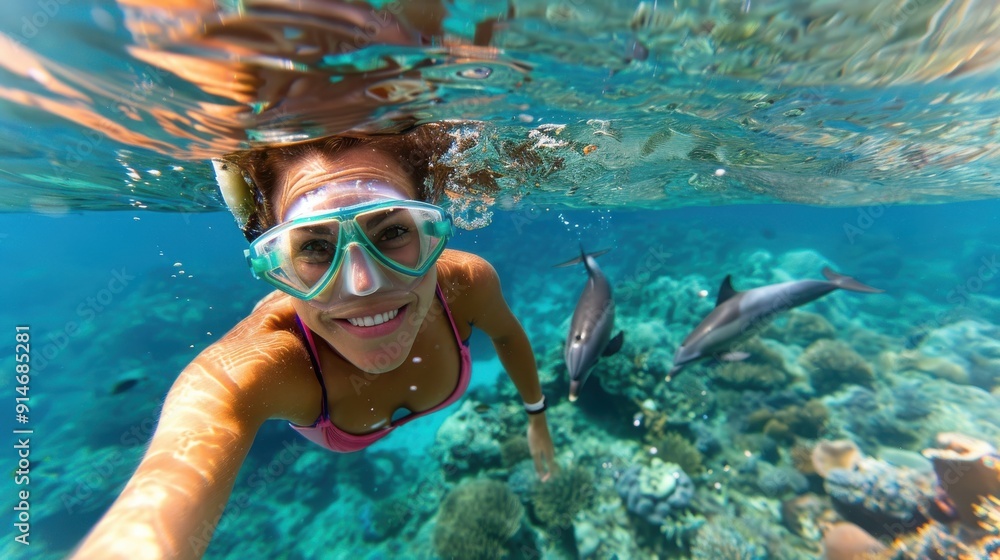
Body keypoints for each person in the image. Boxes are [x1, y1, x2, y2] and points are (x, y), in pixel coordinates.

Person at [71, 126, 556, 559]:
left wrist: (537, 417)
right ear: (276, 264)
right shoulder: (258, 366)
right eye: (315, 247)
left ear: (431, 231)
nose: (363, 285)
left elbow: (508, 334)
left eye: (392, 231)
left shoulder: (466, 284)